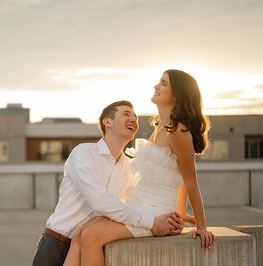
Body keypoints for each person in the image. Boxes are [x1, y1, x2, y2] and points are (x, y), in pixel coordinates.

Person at [63, 69, 216, 266]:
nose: (156, 86)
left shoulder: (179, 130)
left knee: (91, 237)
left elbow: (189, 180)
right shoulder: (160, 125)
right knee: (80, 234)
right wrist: (180, 211)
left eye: (163, 83)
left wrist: (202, 227)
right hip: (137, 204)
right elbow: (173, 174)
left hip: (156, 210)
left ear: (177, 94)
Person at [32, 100, 184, 266]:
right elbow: (100, 202)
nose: (133, 119)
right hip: (57, 244)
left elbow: (139, 200)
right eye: (126, 114)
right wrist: (151, 222)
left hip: (90, 244)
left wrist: (175, 213)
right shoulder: (83, 153)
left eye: (135, 117)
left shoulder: (129, 168)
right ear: (107, 122)